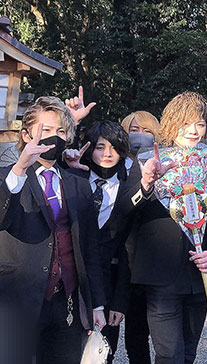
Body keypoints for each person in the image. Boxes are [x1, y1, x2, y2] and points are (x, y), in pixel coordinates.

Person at [0, 96, 105, 363]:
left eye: (60, 131)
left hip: (65, 300)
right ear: (26, 134)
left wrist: (97, 303)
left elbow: (90, 248)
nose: (53, 137)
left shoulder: (77, 182)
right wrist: (20, 168)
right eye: (45, 130)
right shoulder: (7, 176)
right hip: (15, 299)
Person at [130, 92, 207, 364]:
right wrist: (147, 184)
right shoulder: (148, 161)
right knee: (169, 354)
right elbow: (126, 211)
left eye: (200, 124)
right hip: (161, 276)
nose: (194, 131)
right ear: (172, 124)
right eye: (186, 123)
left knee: (188, 354)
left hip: (198, 275)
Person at [65, 120, 148, 363]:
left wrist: (119, 302)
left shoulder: (128, 186)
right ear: (90, 148)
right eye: (100, 147)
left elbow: (128, 247)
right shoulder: (72, 178)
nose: (107, 154)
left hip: (110, 281)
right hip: (71, 279)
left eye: (114, 147)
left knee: (102, 353)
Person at [120, 110, 161, 364]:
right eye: (134, 130)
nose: (140, 136)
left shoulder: (162, 165)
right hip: (122, 256)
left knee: (157, 326)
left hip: (152, 255)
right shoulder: (113, 164)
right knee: (132, 330)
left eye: (147, 131)